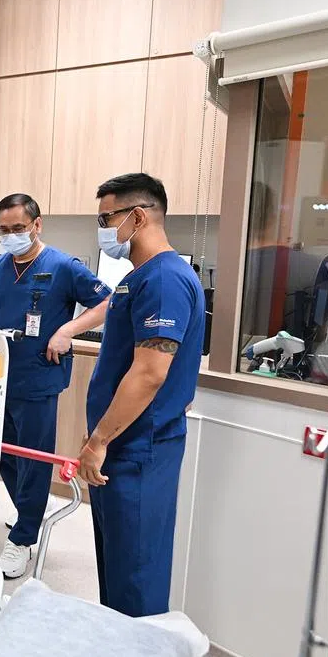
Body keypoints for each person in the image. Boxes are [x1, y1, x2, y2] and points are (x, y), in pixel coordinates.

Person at [79, 173, 205, 618]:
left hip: (138, 451)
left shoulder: (165, 280)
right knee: (116, 565)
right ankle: (117, 649)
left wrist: (100, 440)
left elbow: (150, 373)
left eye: (105, 219)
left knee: (136, 575)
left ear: (137, 216)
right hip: (122, 445)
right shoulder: (139, 278)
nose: (102, 229)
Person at [0, 193, 110, 579]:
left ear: (37, 224)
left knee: (33, 459)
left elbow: (107, 303)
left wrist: (67, 330)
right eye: (4, 230)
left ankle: (23, 536)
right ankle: (28, 512)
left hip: (38, 377)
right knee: (3, 454)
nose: (11, 236)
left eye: (19, 228)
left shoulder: (63, 267)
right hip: (0, 378)